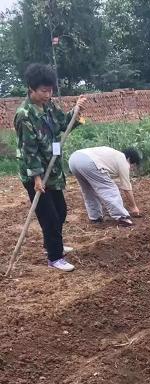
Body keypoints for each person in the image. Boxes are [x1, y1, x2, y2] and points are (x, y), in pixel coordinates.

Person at [14, 63, 86, 272]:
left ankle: (51, 243)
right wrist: (36, 178)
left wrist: (77, 111)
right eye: (43, 91)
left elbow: (64, 123)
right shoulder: (24, 114)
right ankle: (55, 257)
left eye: (50, 90)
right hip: (35, 173)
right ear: (31, 89)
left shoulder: (50, 106)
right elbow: (29, 149)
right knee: (49, 216)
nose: (48, 94)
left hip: (52, 169)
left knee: (61, 211)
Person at [68, 146, 141, 226]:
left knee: (89, 190)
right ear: (130, 159)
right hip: (88, 162)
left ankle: (95, 217)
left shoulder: (113, 156)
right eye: (133, 166)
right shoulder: (123, 160)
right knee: (109, 189)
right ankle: (122, 217)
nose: (131, 169)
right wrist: (134, 206)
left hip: (74, 159)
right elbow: (126, 187)